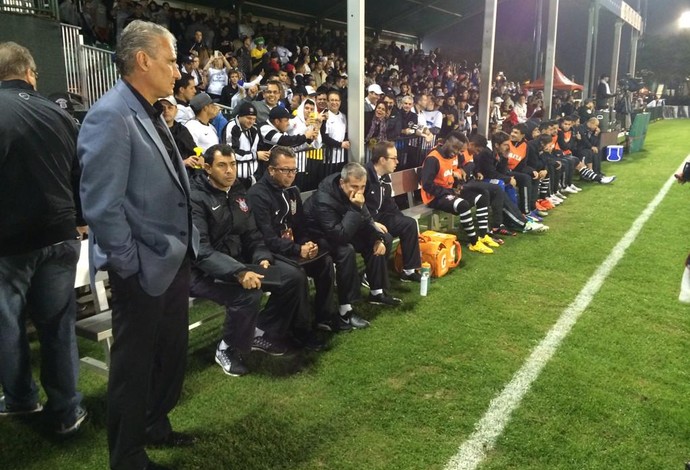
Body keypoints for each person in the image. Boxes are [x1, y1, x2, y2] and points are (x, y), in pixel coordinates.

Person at [78, 21, 199, 470]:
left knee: (170, 355)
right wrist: (129, 265)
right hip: (142, 268)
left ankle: (154, 423)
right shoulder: (110, 115)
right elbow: (102, 206)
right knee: (133, 367)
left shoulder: (150, 109)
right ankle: (126, 456)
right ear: (143, 60)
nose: (177, 69)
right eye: (170, 60)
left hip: (171, 260)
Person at [0, 41, 87, 436]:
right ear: (31, 73)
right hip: (62, 233)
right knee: (57, 325)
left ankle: (21, 398)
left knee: (7, 324)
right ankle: (67, 409)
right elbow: (79, 175)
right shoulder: (61, 115)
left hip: (11, 241)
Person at [190, 144, 324, 364]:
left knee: (293, 277)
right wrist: (238, 272)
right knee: (249, 294)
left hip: (240, 262)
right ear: (207, 168)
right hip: (204, 271)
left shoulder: (237, 191)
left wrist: (261, 258)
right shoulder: (196, 198)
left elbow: (252, 235)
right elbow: (202, 251)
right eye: (222, 165)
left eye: (232, 164)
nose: (229, 171)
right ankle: (227, 348)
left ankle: (261, 331)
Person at [247, 146, 340, 330]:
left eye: (294, 170)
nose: (291, 175)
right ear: (271, 170)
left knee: (325, 262)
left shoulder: (292, 191)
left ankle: (324, 317)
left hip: (291, 247)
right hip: (269, 252)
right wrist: (298, 250)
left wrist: (306, 243)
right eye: (286, 170)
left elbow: (300, 225)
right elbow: (267, 237)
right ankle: (301, 330)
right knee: (297, 275)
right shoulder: (257, 194)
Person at [304, 163, 402, 327]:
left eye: (362, 186)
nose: (359, 191)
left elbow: (366, 218)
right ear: (342, 183)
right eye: (354, 186)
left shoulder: (356, 192)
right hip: (316, 235)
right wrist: (356, 208)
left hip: (341, 228)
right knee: (346, 251)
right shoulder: (324, 198)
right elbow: (339, 236)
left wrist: (378, 238)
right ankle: (345, 311)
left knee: (381, 238)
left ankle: (376, 292)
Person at [420, 131, 495, 254]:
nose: (458, 153)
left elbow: (452, 173)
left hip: (449, 192)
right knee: (463, 204)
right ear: (447, 144)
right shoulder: (433, 158)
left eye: (460, 151)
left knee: (482, 197)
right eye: (457, 149)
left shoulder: (451, 156)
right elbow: (427, 185)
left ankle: (482, 235)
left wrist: (457, 184)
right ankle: (474, 242)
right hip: (434, 197)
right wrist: (447, 191)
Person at [365, 141, 422, 282]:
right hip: (364, 221)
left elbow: (389, 205)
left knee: (409, 224)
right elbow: (356, 207)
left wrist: (402, 221)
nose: (397, 161)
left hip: (378, 217)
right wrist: (371, 223)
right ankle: (370, 276)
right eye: (394, 158)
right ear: (382, 160)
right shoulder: (364, 176)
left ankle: (408, 271)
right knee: (386, 236)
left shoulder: (384, 177)